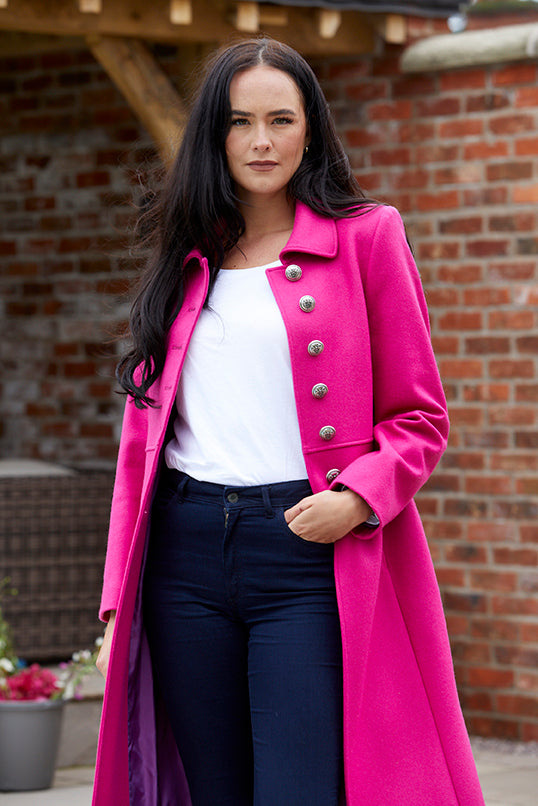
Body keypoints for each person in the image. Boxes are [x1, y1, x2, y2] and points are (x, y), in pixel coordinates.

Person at [93, 37, 485, 806]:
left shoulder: (368, 236)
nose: (262, 140)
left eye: (281, 119)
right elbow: (140, 449)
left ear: (311, 130)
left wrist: (360, 497)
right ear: (217, 135)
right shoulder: (186, 253)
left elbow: (420, 414)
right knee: (217, 793)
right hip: (184, 558)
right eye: (241, 122)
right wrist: (115, 604)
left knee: (299, 789)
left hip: (306, 556)